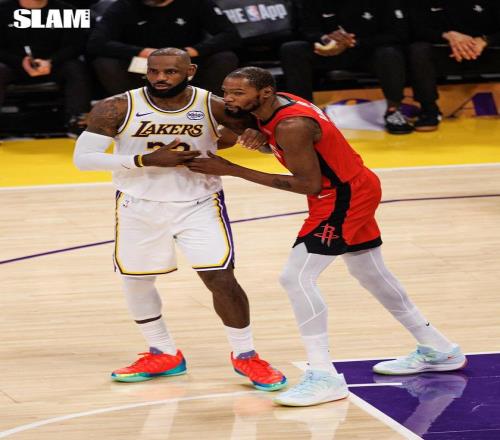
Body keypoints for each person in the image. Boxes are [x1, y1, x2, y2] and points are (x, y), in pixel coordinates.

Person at [186, 66, 467, 407]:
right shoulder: (276, 106)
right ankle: (438, 348)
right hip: (352, 185)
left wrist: (232, 170)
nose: (228, 99)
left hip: (341, 196)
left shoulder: (292, 125)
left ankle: (324, 376)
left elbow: (308, 183)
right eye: (226, 92)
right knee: (369, 272)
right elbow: (290, 150)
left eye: (237, 93)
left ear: (264, 93)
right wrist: (261, 142)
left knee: (295, 278)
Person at [73, 48, 286, 390]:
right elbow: (84, 159)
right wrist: (145, 160)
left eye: (170, 72)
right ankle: (163, 352)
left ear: (190, 71)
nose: (160, 78)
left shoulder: (213, 105)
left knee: (220, 278)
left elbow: (260, 139)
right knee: (137, 281)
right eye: (154, 71)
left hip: (199, 203)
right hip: (139, 204)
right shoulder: (118, 106)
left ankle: (246, 356)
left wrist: (257, 138)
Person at [279, 0, 413, 134]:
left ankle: (394, 110)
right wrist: (325, 39)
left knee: (390, 53)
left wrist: (355, 42)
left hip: (368, 51)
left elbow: (397, 33)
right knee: (292, 50)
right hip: (330, 51)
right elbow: (306, 29)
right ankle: (304, 113)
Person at [86, 0, 240, 96]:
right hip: (143, 64)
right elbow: (96, 42)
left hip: (187, 61)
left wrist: (193, 51)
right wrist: (143, 52)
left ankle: (207, 106)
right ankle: (131, 107)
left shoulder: (198, 3)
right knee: (105, 62)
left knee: (225, 57)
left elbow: (230, 35)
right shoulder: (123, 6)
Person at [0, 0, 92, 135]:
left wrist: (51, 61)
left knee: (75, 67)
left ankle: (78, 122)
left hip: (55, 65)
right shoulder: (3, 10)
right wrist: (20, 62)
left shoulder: (69, 10)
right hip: (13, 66)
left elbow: (77, 45)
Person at [408, 0, 500, 131]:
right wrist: (446, 36)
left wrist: (485, 40)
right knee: (418, 49)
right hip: (445, 50)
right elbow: (414, 29)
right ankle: (429, 110)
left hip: (484, 50)